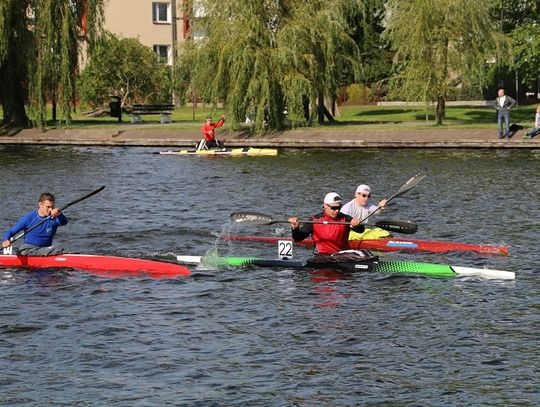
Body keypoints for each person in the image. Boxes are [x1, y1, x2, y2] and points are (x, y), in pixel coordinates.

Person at [288, 192, 365, 255]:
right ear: (325, 206)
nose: (337, 211)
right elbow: (297, 238)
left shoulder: (345, 218)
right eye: (334, 208)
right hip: (322, 256)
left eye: (339, 208)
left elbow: (361, 230)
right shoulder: (314, 220)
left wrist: (357, 224)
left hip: (342, 255)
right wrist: (295, 228)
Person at [2, 192, 68, 256]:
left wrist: (59, 214)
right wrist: (6, 240)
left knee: (55, 249)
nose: (50, 210)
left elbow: (64, 222)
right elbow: (10, 232)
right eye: (48, 207)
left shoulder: (54, 218)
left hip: (46, 250)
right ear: (40, 205)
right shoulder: (29, 218)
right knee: (56, 249)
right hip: (28, 250)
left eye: (52, 207)